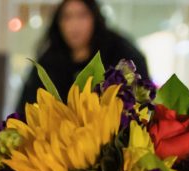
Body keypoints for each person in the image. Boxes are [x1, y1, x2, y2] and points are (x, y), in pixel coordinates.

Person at [17, 0, 150, 111]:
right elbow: (26, 107)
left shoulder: (121, 52)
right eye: (67, 17)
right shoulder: (49, 61)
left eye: (82, 15)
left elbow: (142, 103)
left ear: (94, 18)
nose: (74, 25)